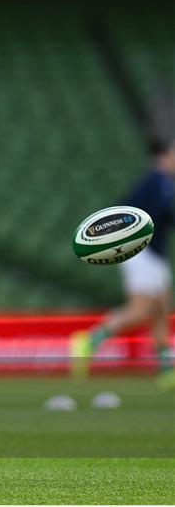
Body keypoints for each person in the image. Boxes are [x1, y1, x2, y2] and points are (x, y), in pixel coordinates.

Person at [70, 137, 175, 389]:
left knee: (161, 308)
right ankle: (88, 340)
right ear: (165, 156)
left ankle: (165, 368)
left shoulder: (159, 183)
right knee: (141, 309)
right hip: (142, 254)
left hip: (154, 254)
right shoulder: (157, 182)